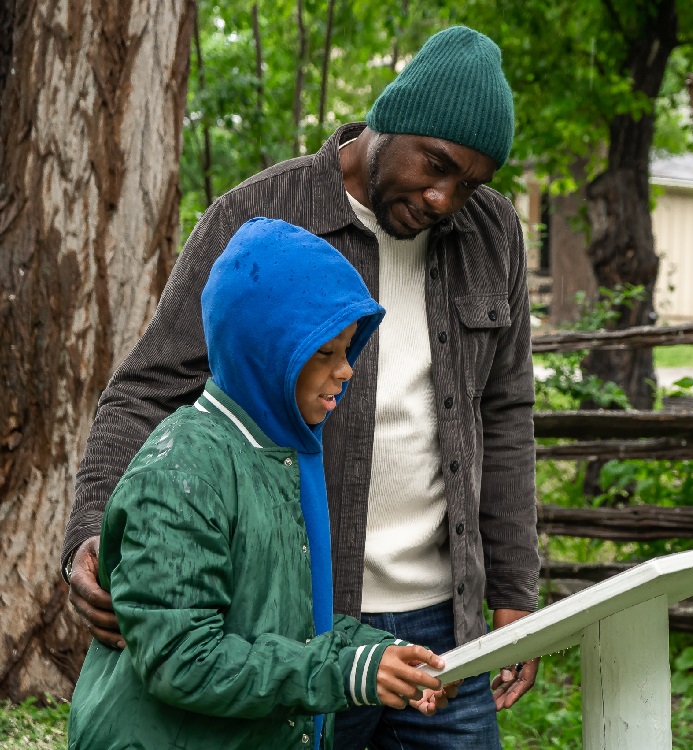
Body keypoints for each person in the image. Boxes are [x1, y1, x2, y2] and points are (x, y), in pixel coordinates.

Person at [64, 25, 540, 748]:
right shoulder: (257, 216)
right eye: (436, 166)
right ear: (388, 121)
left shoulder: (492, 233)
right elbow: (146, 391)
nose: (446, 199)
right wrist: (91, 533)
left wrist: (513, 590)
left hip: (447, 625)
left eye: (470, 183)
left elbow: (504, 415)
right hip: (299, 619)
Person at [67, 218, 453, 750]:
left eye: (347, 350)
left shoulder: (278, 459)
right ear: (265, 350)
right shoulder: (181, 475)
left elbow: (292, 627)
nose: (346, 371)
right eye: (324, 353)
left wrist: (381, 654)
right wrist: (342, 672)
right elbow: (182, 659)